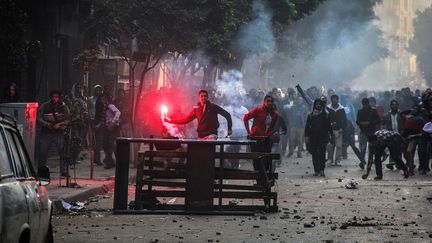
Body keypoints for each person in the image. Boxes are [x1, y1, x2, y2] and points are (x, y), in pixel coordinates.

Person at [164, 89, 232, 139]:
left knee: (208, 154)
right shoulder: (196, 109)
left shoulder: (213, 107)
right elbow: (185, 120)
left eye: (205, 96)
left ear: (207, 97)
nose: (203, 98)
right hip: (201, 136)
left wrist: (229, 128)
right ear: (199, 98)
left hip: (212, 135)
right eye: (202, 96)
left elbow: (227, 115)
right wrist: (170, 121)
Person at [243, 94, 281, 184]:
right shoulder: (257, 110)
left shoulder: (275, 114)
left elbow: (271, 127)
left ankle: (265, 180)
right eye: (268, 101)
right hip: (255, 139)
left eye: (271, 101)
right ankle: (259, 181)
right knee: (257, 161)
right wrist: (248, 132)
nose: (270, 103)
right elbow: (245, 118)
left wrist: (271, 133)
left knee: (267, 160)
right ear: (264, 102)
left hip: (267, 139)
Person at [37, 90, 70, 177]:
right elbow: (39, 118)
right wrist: (47, 124)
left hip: (58, 133)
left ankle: (64, 171)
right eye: (53, 97)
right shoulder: (45, 106)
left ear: (59, 98)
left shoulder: (63, 107)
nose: (54, 99)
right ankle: (41, 172)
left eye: (56, 97)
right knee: (43, 152)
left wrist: (61, 125)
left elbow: (68, 119)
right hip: (46, 132)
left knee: (63, 152)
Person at [305, 99, 334, 177]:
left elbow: (329, 126)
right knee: (314, 154)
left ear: (322, 105)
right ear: (314, 105)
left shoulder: (326, 115)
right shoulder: (311, 115)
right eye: (316, 104)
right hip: (313, 137)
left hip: (323, 137)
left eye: (319, 104)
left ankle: (322, 170)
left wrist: (331, 135)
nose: (318, 105)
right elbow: (307, 127)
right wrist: (307, 136)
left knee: (322, 153)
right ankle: (316, 170)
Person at [64, 83, 89, 163]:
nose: (79, 90)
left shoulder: (83, 99)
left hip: (81, 121)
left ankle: (75, 157)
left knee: (80, 140)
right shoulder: (70, 98)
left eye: (80, 88)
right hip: (73, 122)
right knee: (74, 139)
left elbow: (84, 109)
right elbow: (68, 110)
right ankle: (71, 157)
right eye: (78, 88)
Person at [94, 94, 121, 169]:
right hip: (107, 128)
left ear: (106, 99)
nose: (102, 101)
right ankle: (110, 161)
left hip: (113, 128)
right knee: (105, 144)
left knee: (111, 145)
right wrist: (98, 126)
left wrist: (113, 122)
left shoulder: (110, 106)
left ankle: (110, 162)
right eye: (101, 100)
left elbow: (118, 112)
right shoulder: (104, 107)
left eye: (103, 99)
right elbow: (103, 119)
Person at [356, 98, 381, 169]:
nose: (365, 105)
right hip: (363, 131)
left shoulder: (373, 111)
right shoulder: (360, 111)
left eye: (366, 104)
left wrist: (370, 123)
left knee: (372, 148)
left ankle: (370, 161)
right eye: (364, 104)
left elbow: (378, 120)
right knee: (362, 148)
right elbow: (357, 121)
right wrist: (362, 123)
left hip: (371, 132)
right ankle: (362, 161)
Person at [381, 99, 404, 170]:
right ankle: (391, 163)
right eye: (393, 104)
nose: (394, 106)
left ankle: (398, 164)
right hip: (390, 135)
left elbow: (404, 124)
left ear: (397, 105)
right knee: (391, 149)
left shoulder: (401, 114)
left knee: (399, 149)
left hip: (399, 134)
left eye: (395, 104)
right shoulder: (387, 115)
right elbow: (383, 124)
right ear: (390, 106)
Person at [326, 94, 347, 166]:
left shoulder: (341, 109)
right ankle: (330, 159)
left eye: (336, 99)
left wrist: (342, 128)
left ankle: (338, 160)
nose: (334, 100)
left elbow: (344, 120)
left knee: (339, 146)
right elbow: (326, 119)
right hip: (330, 130)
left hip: (339, 130)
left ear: (338, 100)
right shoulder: (328, 108)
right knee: (329, 145)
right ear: (331, 100)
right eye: (333, 99)